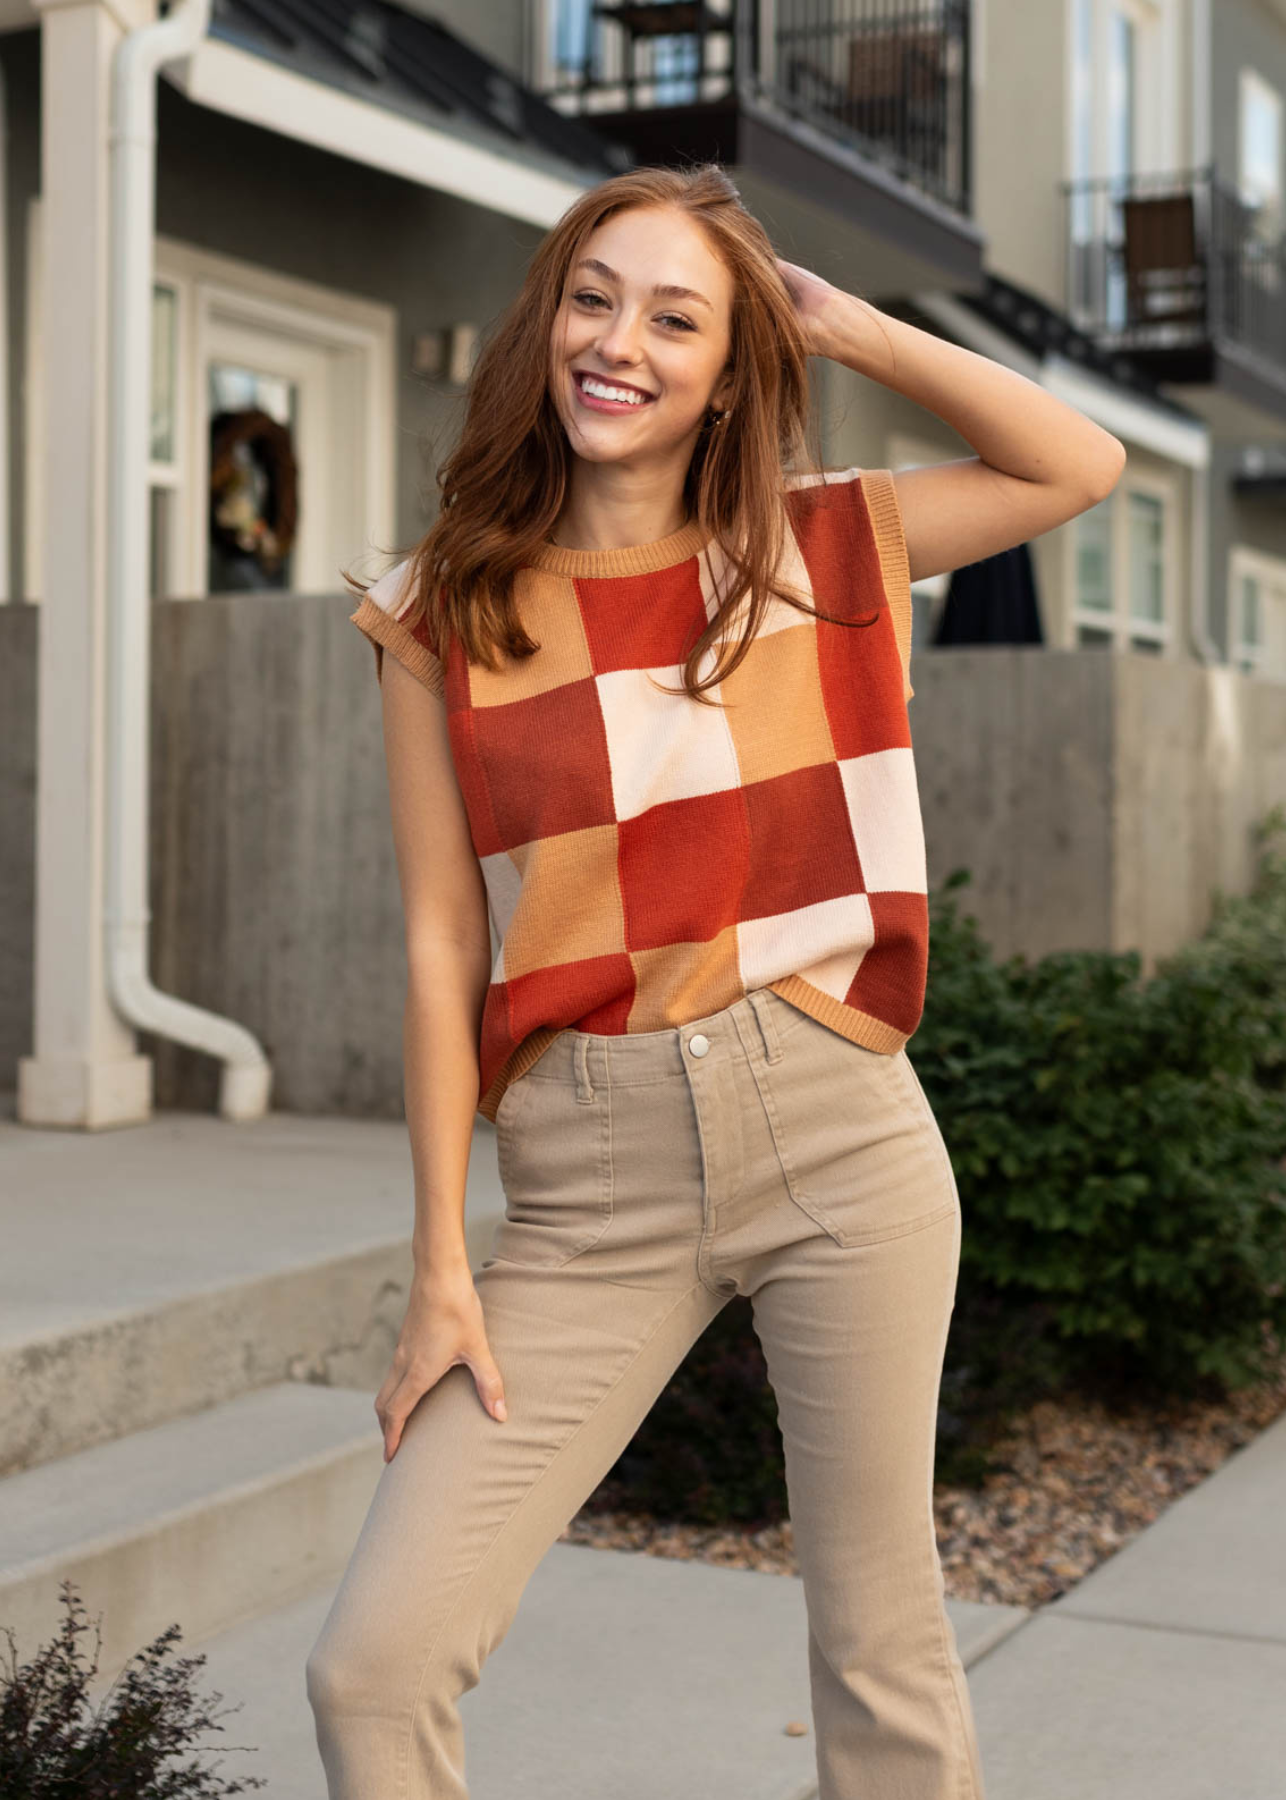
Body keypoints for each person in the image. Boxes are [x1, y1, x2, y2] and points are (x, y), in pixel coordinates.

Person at [305, 162, 1125, 1800]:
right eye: (593, 298)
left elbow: (1077, 463)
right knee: (371, 1670)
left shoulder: (825, 545)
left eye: (678, 318)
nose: (619, 342)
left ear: (733, 364)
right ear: (545, 322)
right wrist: (439, 1264)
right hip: (587, 1179)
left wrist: (840, 322)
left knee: (880, 1665)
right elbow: (437, 940)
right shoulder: (443, 605)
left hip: (833, 1127)